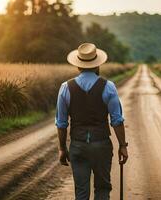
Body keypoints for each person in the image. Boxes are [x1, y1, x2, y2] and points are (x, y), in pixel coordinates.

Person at [55, 43, 128, 200]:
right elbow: (117, 121)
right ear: (98, 64)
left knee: (81, 193)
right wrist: (122, 145)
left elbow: (61, 123)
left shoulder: (65, 88)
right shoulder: (109, 87)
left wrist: (62, 148)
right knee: (102, 190)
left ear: (78, 65)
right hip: (101, 145)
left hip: (78, 145)